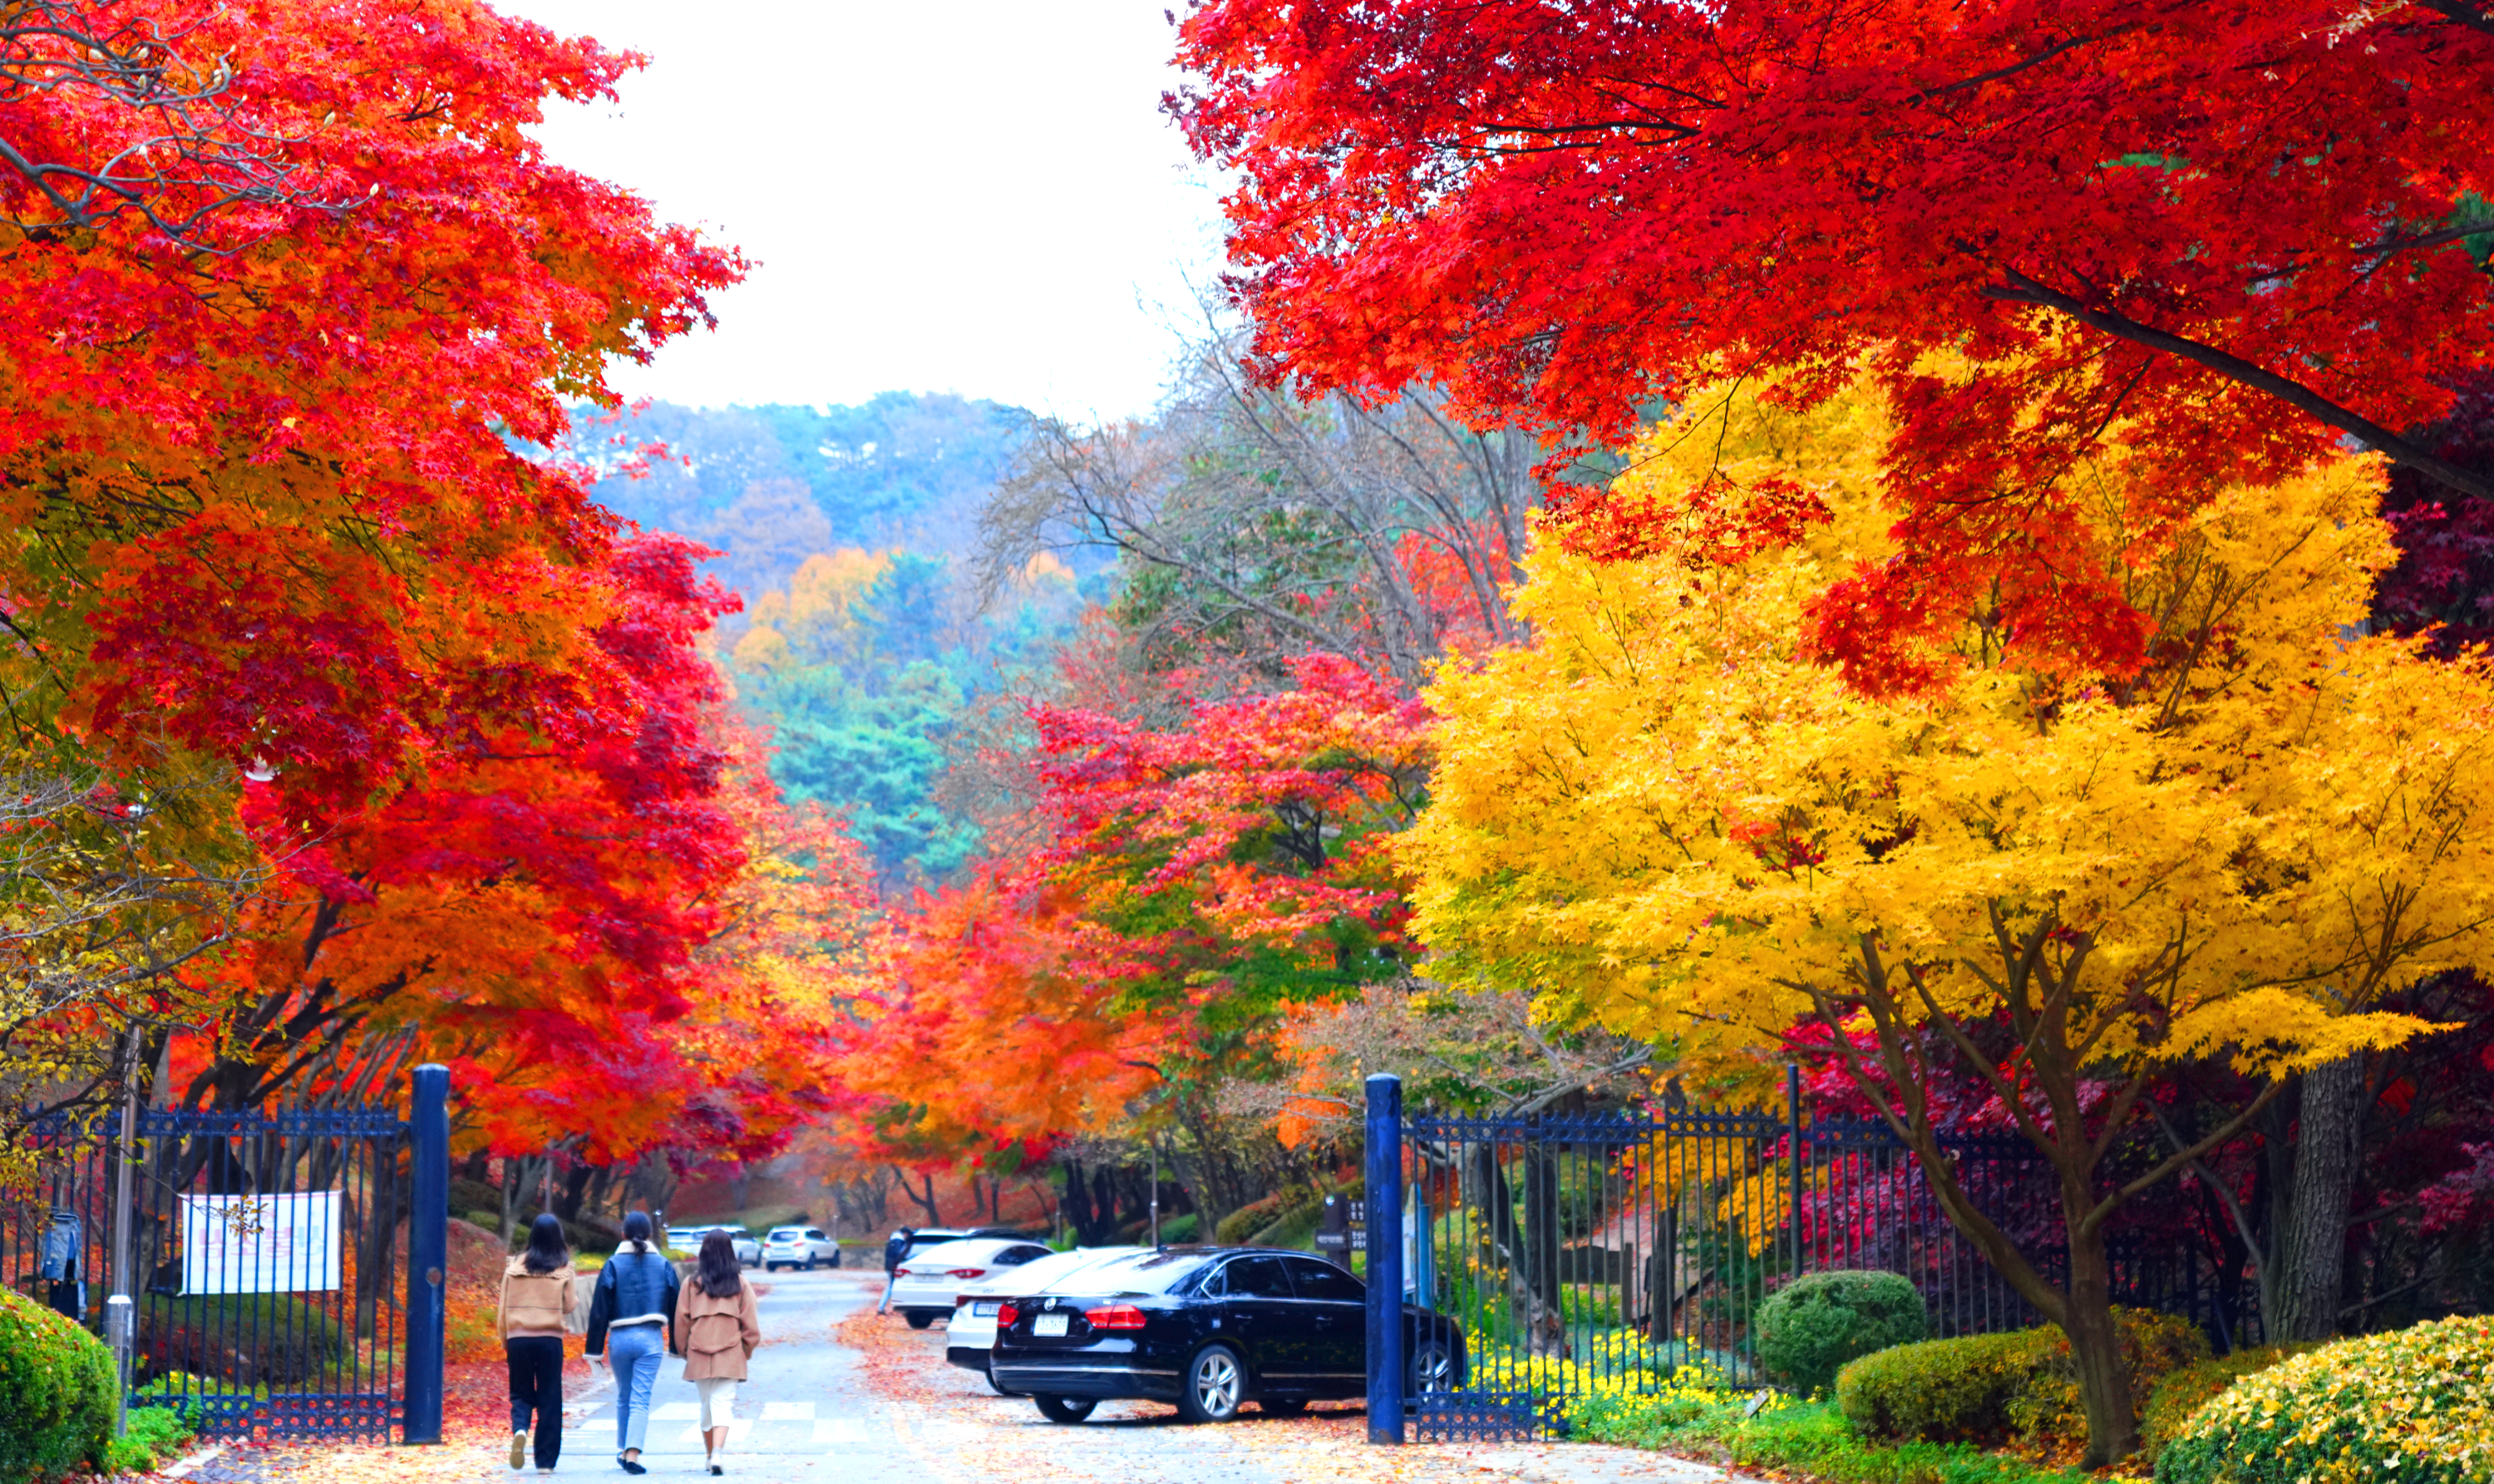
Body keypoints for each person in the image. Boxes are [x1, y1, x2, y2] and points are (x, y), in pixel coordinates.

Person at [584, 1211, 678, 1475]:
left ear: (623, 1234)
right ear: (649, 1234)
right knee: (640, 1398)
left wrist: (593, 1351)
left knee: (624, 1396)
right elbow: (677, 1304)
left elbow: (599, 1310)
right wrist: (677, 1344)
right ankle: (632, 1454)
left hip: (620, 1340)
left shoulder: (612, 1264)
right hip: (650, 1339)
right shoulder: (663, 1265)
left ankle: (624, 1449)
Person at [673, 1230, 762, 1477]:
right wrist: (745, 1350)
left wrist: (684, 1350)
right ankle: (717, 1453)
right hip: (731, 1351)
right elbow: (751, 1323)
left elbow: (681, 1321)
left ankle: (709, 1454)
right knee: (723, 1404)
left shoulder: (691, 1284)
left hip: (699, 1352)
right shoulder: (740, 1283)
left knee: (706, 1406)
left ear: (704, 1252)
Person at [498, 1214, 578, 1475]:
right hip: (549, 1339)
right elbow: (569, 1305)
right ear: (558, 1238)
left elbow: (502, 1310)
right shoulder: (564, 1267)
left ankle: (520, 1429)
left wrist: (505, 1341)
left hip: (519, 1338)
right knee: (550, 1397)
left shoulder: (514, 1266)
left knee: (520, 1392)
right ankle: (545, 1462)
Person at [876, 1226, 913, 1314]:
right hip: (893, 1267)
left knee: (891, 1286)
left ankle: (882, 1307)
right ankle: (881, 1308)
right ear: (906, 1234)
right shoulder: (898, 1241)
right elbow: (899, 1254)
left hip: (889, 1266)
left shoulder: (893, 1239)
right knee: (891, 1287)